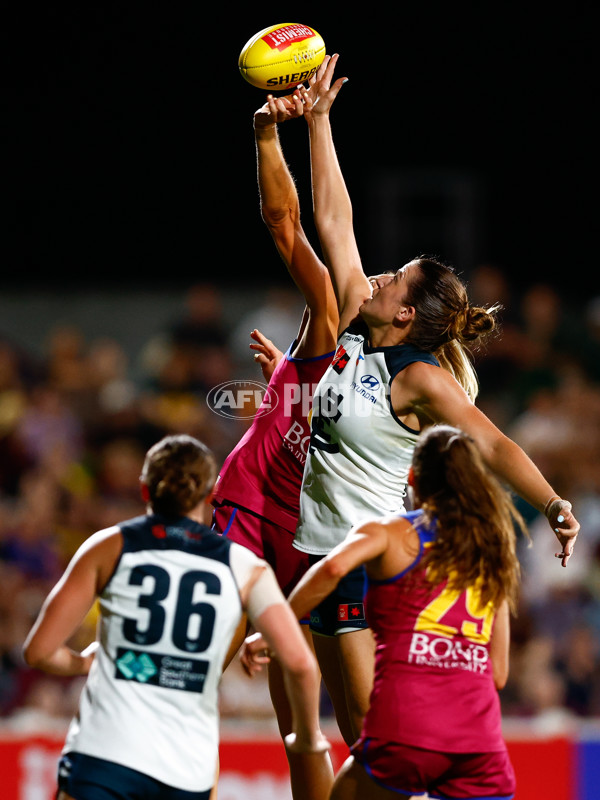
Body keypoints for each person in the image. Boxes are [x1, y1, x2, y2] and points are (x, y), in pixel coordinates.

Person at [284, 54, 581, 745]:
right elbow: (334, 221)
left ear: (407, 316)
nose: (380, 278)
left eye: (397, 281)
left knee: (371, 744)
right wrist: (319, 123)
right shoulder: (363, 322)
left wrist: (555, 506)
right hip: (315, 556)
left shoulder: (420, 379)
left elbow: (495, 443)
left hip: (369, 572)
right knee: (324, 737)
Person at [22, 433, 328, 800]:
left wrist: (84, 663)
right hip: (186, 770)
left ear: (145, 491)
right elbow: (301, 665)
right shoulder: (244, 566)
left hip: (104, 753)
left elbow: (38, 652)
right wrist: (307, 738)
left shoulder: (109, 546)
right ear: (211, 493)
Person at [244, 424, 525, 799]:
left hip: (405, 728)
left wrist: (272, 631)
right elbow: (500, 673)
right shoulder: (493, 555)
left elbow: (330, 569)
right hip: (478, 743)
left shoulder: (389, 533)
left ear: (412, 477)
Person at [210, 90, 338, 798]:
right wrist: (289, 383)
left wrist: (267, 137)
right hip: (263, 517)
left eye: (387, 281)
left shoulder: (389, 369)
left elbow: (287, 224)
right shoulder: (328, 331)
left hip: (315, 539)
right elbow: (287, 223)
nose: (369, 276)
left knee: (308, 724)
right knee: (292, 723)